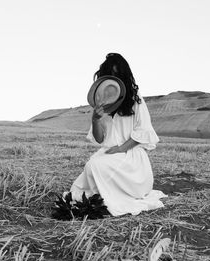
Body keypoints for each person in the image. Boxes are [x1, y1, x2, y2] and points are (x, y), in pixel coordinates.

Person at [69, 53, 166, 216]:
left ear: (124, 76)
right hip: (111, 154)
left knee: (95, 166)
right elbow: (100, 139)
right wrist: (95, 120)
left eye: (117, 74)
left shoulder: (136, 99)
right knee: (85, 177)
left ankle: (113, 196)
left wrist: (121, 148)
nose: (114, 79)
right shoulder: (102, 103)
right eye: (110, 75)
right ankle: (102, 197)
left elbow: (143, 132)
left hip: (131, 158)